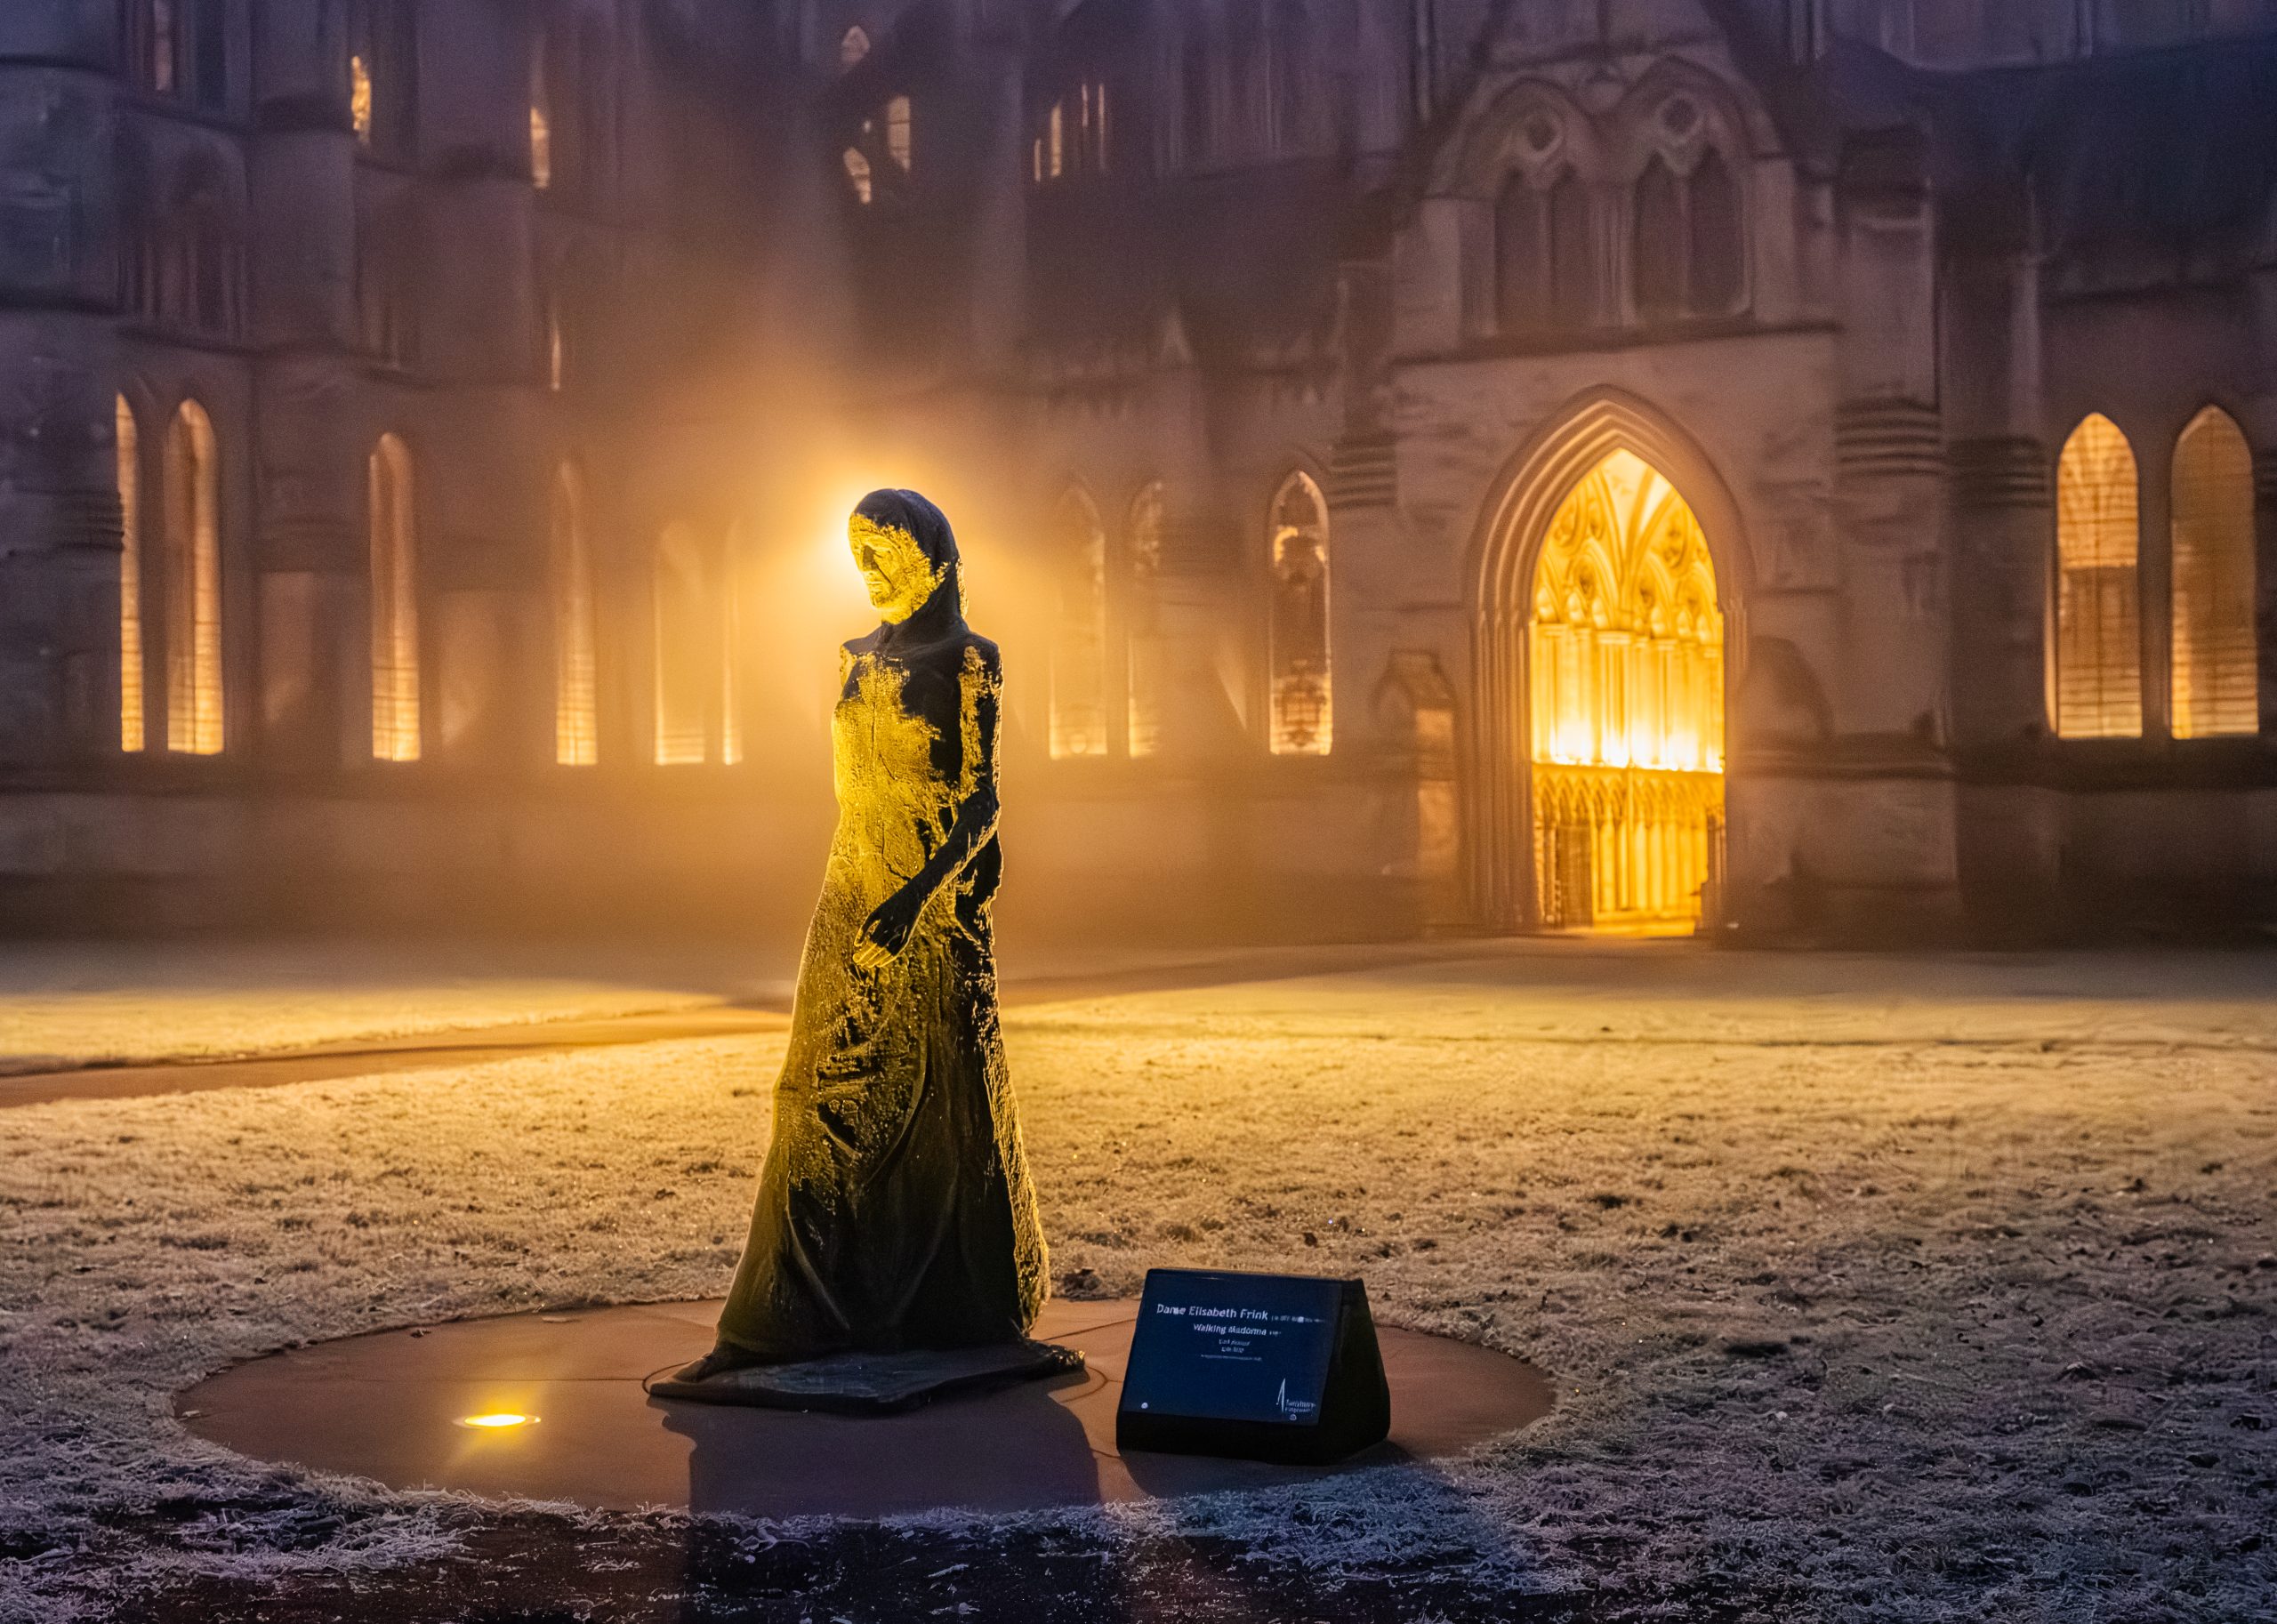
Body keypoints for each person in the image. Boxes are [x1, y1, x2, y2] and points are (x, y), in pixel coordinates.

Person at [667, 489, 1047, 1385]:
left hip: (931, 903)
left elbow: (985, 800)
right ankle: (788, 1314)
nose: (867, 574)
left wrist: (915, 898)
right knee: (810, 1095)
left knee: (944, 1097)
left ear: (932, 556)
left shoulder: (970, 661)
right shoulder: (850, 659)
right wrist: (871, 888)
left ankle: (954, 1304)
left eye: (882, 553)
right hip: (850, 891)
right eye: (857, 555)